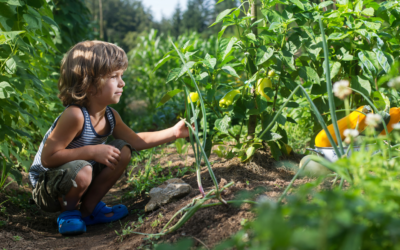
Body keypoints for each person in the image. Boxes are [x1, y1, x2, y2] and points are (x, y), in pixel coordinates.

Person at [29, 40, 189, 235]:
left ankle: (88, 210)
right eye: (114, 76)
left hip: (78, 175)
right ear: (88, 84)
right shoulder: (75, 115)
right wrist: (92, 151)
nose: (122, 82)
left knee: (123, 150)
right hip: (48, 187)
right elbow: (48, 157)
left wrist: (174, 132)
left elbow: (136, 141)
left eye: (121, 75)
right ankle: (68, 213)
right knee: (84, 169)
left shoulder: (110, 116)